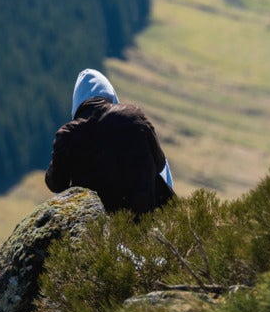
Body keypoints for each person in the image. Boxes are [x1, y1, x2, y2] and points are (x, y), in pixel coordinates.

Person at [44, 68, 175, 216]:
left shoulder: (68, 134)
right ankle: (172, 219)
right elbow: (160, 164)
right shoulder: (134, 115)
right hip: (146, 219)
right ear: (110, 94)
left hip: (98, 228)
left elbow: (56, 183)